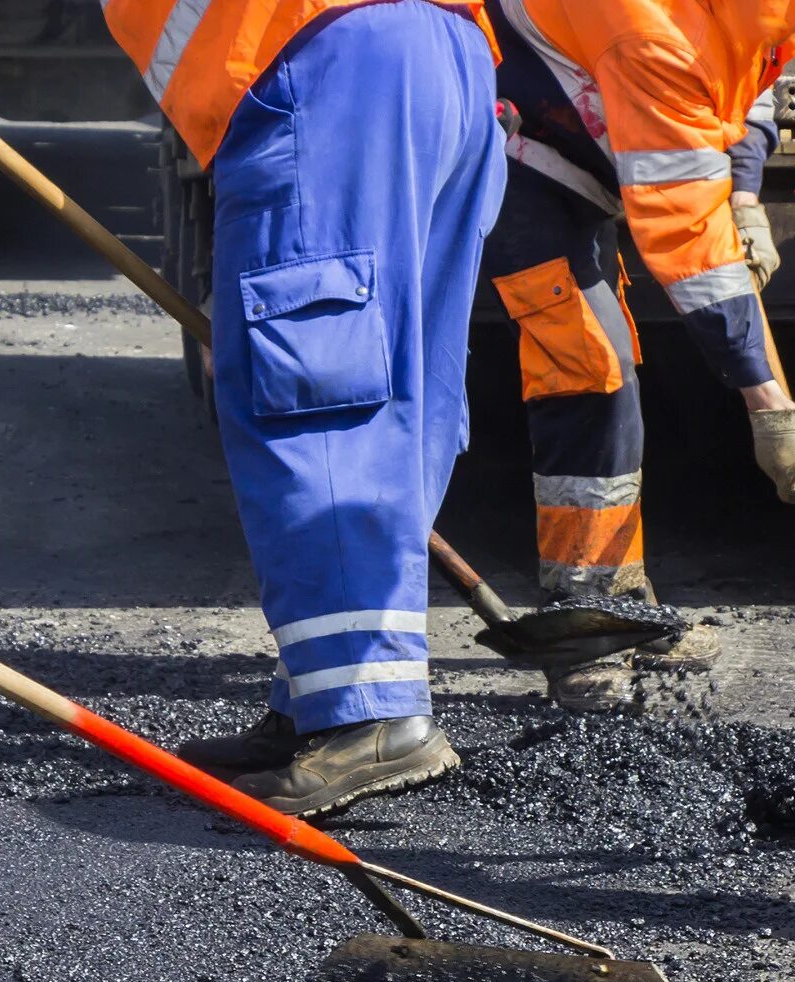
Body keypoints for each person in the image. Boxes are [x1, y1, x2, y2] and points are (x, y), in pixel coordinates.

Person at [101, 0, 506, 819]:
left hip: (328, 60)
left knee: (319, 391)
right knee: (395, 384)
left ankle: (372, 714)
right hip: (442, 58)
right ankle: (318, 701)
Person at [479, 7, 795, 712]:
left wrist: (740, 193)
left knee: (607, 364)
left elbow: (742, 91)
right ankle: (584, 628)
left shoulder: (740, 17)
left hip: (575, 142)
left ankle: (624, 607)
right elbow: (689, 253)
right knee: (588, 367)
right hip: (513, 149)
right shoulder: (647, 32)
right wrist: (769, 404)